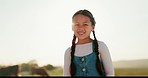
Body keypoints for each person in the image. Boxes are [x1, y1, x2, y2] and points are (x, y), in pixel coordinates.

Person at [64, 9, 114, 77]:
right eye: (77, 24)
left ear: (92, 27)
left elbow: (110, 74)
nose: (80, 28)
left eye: (85, 24)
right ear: (72, 27)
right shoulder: (69, 51)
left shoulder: (101, 46)